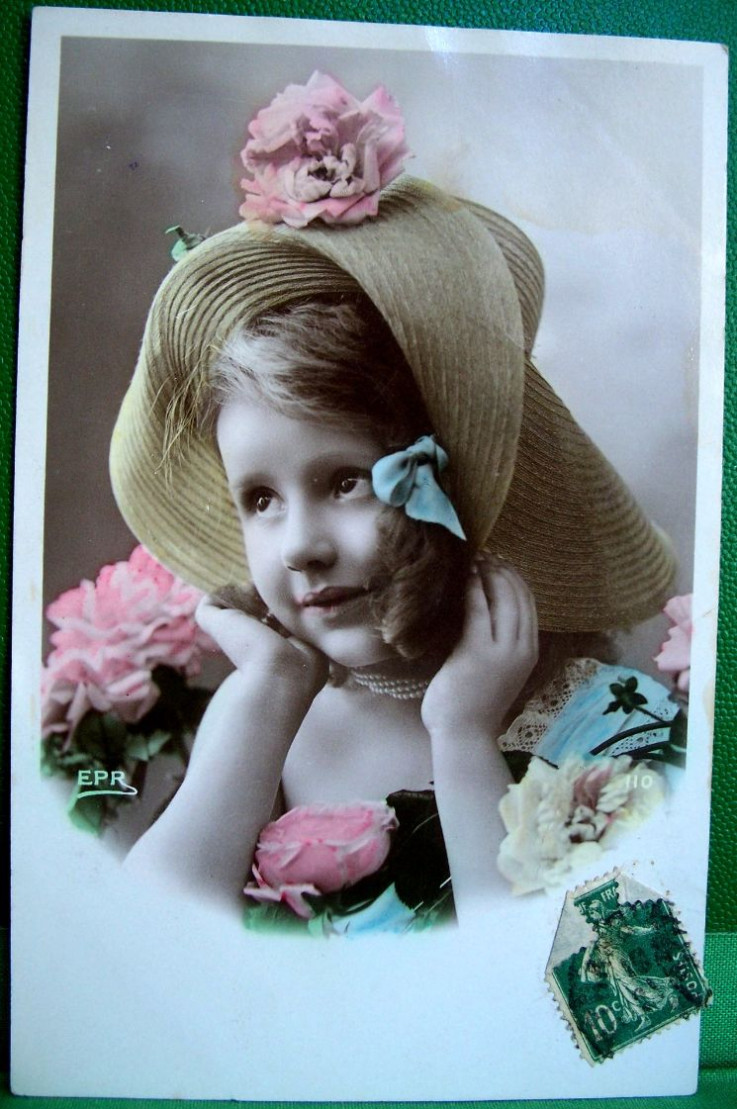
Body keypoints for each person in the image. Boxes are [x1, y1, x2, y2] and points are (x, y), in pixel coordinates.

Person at [110, 77, 678, 931]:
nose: (298, 545)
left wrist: (460, 738)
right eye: (260, 497)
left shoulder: (605, 725)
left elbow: (571, 1014)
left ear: (461, 482)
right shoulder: (272, 725)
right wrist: (263, 694)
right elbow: (137, 963)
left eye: (343, 481)